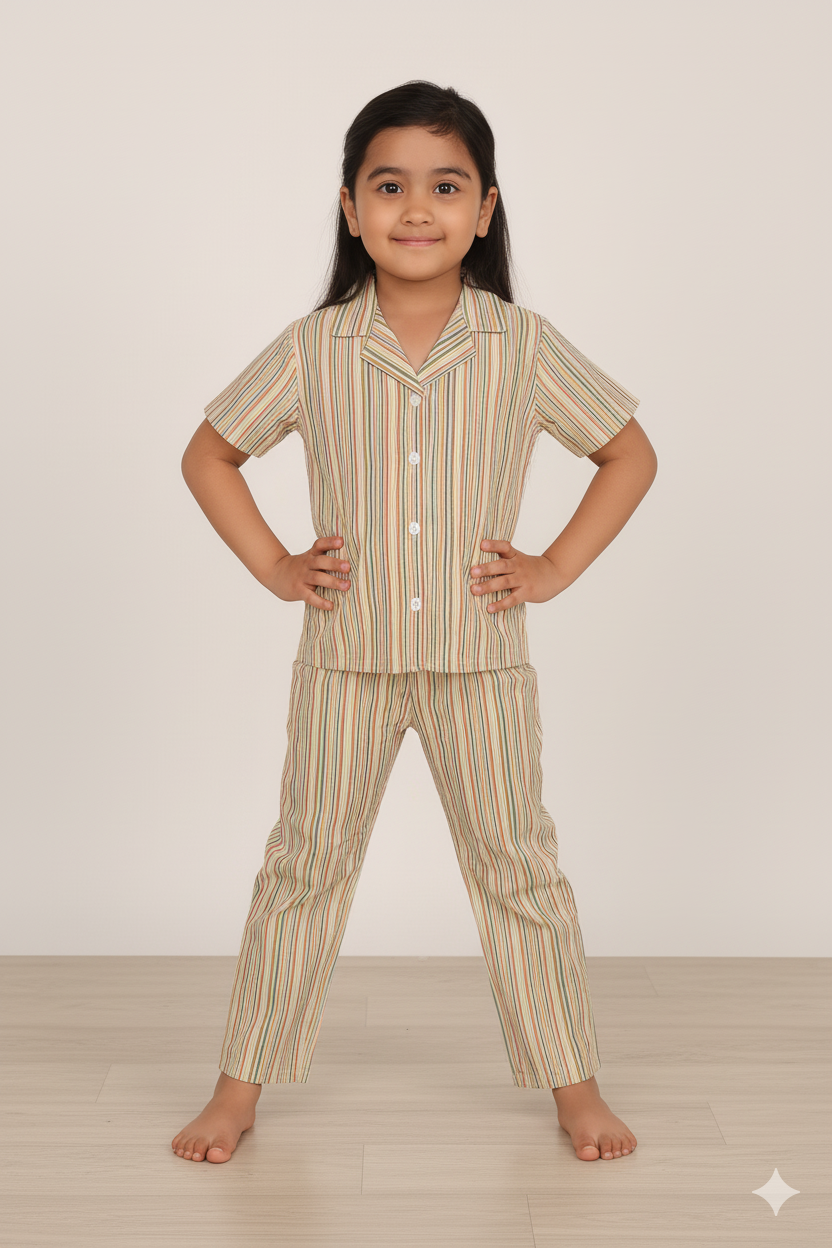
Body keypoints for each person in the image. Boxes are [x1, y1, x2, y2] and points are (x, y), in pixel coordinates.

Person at [172, 80, 657, 1167]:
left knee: (518, 870)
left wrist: (554, 567)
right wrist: (273, 564)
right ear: (351, 208)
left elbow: (628, 453)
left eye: (445, 187)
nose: (417, 209)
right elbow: (211, 454)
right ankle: (237, 1091)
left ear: (486, 209)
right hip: (343, 662)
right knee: (302, 867)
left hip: (481, 665)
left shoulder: (522, 344)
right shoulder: (314, 346)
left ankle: (573, 1086)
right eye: (390, 187)